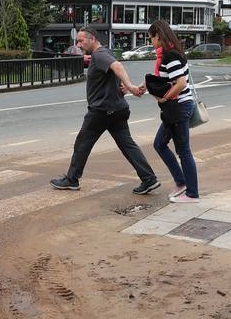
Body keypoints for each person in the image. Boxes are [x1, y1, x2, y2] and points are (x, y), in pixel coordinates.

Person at [51, 26, 160, 195]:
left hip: (102, 111)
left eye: (81, 41)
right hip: (117, 109)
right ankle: (149, 179)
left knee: (82, 144)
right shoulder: (104, 52)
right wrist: (121, 86)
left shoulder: (99, 54)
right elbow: (114, 72)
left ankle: (72, 180)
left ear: (92, 38)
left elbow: (118, 67)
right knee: (128, 145)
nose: (79, 45)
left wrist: (129, 86)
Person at [140, 20, 200, 203]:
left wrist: (165, 98)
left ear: (158, 35)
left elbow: (180, 83)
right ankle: (182, 183)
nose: (152, 42)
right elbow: (164, 80)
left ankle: (192, 193)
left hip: (179, 107)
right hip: (177, 108)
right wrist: (144, 87)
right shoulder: (171, 54)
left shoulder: (170, 56)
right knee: (160, 144)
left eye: (151, 38)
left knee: (183, 151)